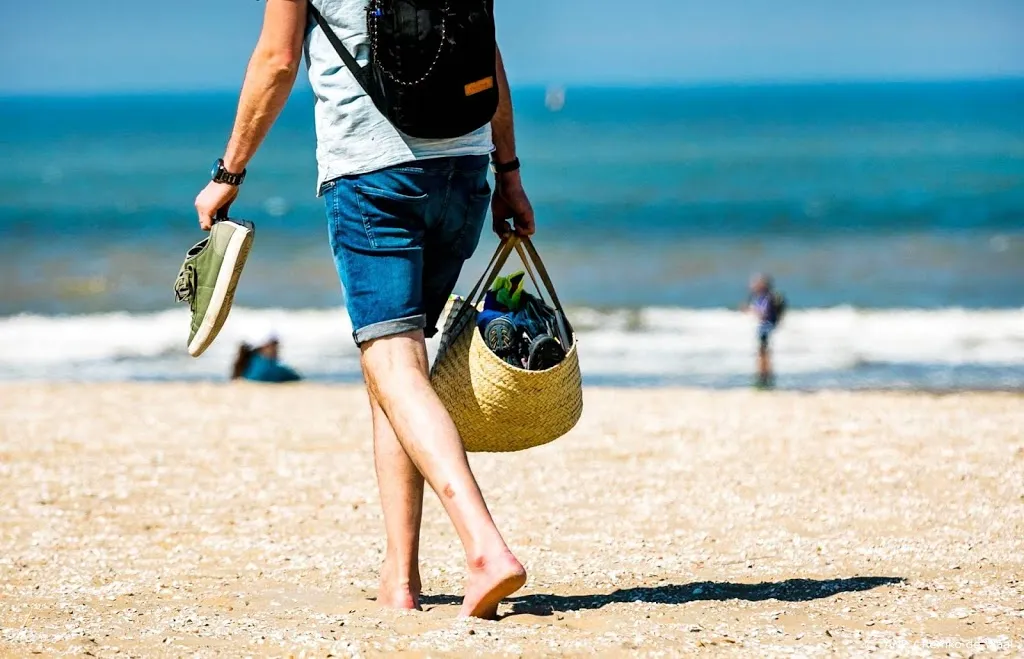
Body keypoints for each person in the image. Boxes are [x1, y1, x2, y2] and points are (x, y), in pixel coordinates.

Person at [192, 1, 534, 619]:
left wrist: (229, 171)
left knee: (395, 367)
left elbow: (277, 59)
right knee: (394, 374)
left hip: (375, 174)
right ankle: (400, 578)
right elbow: (486, 51)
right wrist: (507, 173)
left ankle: (484, 547)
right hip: (463, 171)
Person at [742, 274, 786, 388]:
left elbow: (763, 313)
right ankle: (764, 378)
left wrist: (752, 310)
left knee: (763, 354)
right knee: (763, 353)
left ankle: (764, 378)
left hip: (765, 327)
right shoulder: (764, 297)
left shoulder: (766, 298)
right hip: (766, 327)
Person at [231, 332, 302, 383]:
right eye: (274, 345)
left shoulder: (250, 362)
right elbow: (296, 377)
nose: (277, 349)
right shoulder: (269, 367)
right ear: (263, 347)